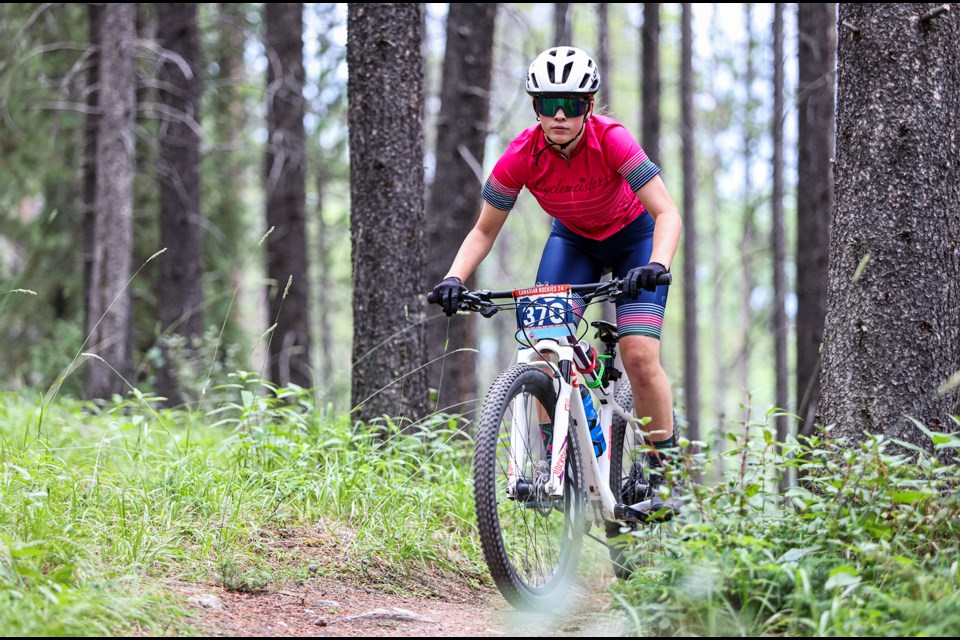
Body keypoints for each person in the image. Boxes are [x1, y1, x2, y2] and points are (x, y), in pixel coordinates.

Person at [430, 46, 683, 519]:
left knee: (638, 354)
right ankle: (555, 466)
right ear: (535, 108)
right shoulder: (521, 155)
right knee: (544, 348)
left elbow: (667, 212)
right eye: (548, 104)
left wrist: (657, 263)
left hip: (635, 242)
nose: (560, 114)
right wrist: (453, 278)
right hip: (574, 245)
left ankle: (666, 472)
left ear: (590, 105)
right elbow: (484, 229)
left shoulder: (613, 141)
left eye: (571, 103)